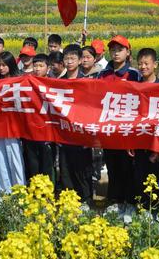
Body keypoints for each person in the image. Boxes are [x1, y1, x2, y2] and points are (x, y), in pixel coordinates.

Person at [98, 36, 142, 211]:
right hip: (109, 128)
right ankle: (115, 199)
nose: (116, 53)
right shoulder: (103, 74)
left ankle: (129, 201)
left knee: (128, 166)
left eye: (120, 49)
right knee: (112, 164)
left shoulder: (134, 74)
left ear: (128, 52)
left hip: (127, 129)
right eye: (113, 50)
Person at [58, 44, 94, 205]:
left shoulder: (87, 82)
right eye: (66, 58)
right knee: (66, 170)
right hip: (65, 133)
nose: (69, 61)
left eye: (73, 58)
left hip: (82, 134)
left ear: (80, 60)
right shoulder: (59, 82)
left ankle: (86, 200)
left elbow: (92, 109)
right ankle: (69, 200)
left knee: (83, 170)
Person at [0, 51, 26, 196]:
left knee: (15, 158)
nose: (1, 68)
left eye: (4, 65)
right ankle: (2, 192)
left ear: (11, 65)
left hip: (14, 127)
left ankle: (19, 190)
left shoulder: (19, 81)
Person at [22, 53, 56, 183]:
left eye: (41, 66)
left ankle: (48, 193)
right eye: (35, 65)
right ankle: (33, 193)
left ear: (48, 68)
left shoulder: (54, 83)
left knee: (47, 164)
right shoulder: (27, 82)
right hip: (30, 130)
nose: (37, 69)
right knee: (32, 163)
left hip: (47, 131)